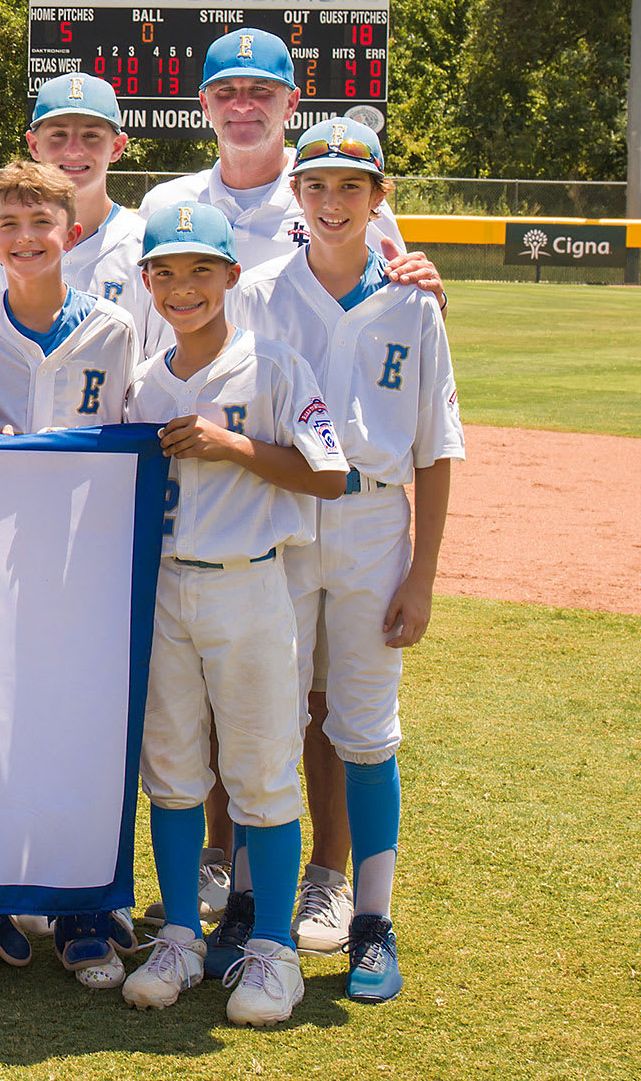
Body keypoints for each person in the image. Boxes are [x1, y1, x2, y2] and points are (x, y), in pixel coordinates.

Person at [135, 28, 443, 944]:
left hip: (350, 498)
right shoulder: (186, 215)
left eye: (259, 90)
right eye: (224, 88)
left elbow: (397, 314)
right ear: (202, 105)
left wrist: (421, 278)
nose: (242, 103)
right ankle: (233, 882)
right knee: (255, 695)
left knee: (334, 713)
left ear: (289, 103)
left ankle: (334, 885)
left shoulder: (349, 221)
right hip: (261, 506)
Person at [232, 119, 463, 1002]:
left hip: (372, 526)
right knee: (268, 718)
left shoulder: (413, 304)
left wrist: (424, 574)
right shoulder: (256, 293)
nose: (332, 203)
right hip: (283, 515)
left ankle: (372, 921)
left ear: (379, 199)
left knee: (366, 727)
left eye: (350, 188)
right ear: (297, 196)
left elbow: (438, 448)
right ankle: (252, 914)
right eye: (316, 187)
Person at [119, 202, 349, 1027]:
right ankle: (180, 934)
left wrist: (233, 446)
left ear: (231, 277)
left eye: (200, 272)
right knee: (174, 769)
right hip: (166, 587)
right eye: (167, 273)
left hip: (252, 584)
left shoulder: (277, 365)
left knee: (259, 769)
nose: (184, 288)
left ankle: (273, 952)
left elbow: (331, 475)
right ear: (146, 283)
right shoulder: (144, 379)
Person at [0, 159, 140, 990]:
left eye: (41, 225)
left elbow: (134, 438)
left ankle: (80, 901)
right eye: (9, 227)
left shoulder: (115, 330)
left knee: (78, 724)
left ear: (74, 234)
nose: (26, 239)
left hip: (84, 562)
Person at [0, 73, 161, 351]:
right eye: (58, 134)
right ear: (33, 145)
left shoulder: (145, 249)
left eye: (91, 135)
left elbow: (160, 371)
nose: (74, 150)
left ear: (117, 147)